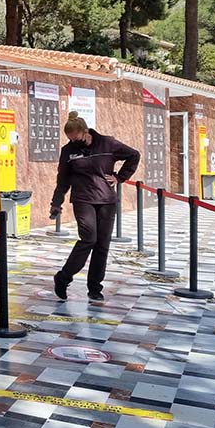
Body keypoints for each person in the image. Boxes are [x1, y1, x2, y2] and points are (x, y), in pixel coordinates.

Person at [49, 111, 140, 302]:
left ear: (85, 132)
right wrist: (56, 202)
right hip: (82, 199)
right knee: (88, 239)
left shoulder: (108, 143)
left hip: (106, 200)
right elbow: (63, 178)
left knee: (102, 245)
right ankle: (63, 278)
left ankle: (95, 288)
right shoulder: (68, 151)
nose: (74, 142)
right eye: (70, 139)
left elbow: (134, 155)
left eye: (76, 137)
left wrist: (120, 177)